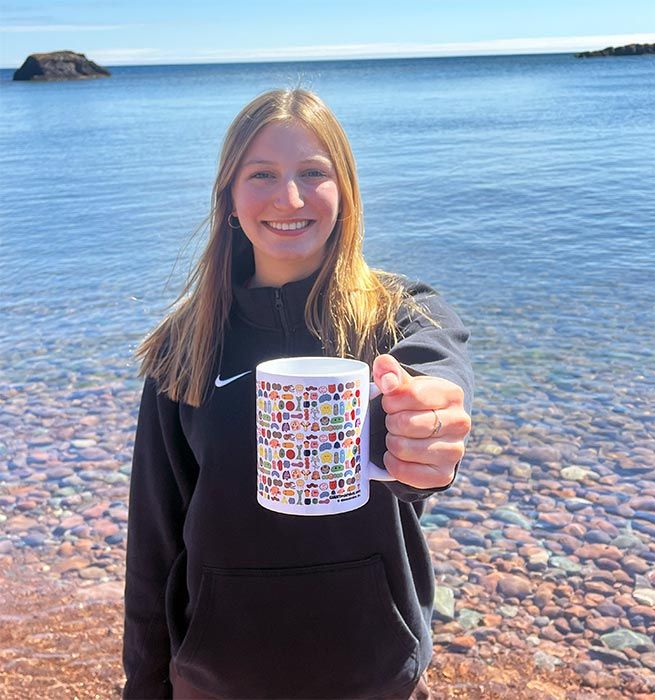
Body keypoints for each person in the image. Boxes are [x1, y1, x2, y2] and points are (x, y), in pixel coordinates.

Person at [122, 88, 474, 700]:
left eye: (313, 173)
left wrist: (426, 431)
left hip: (374, 673)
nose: (289, 198)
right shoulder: (186, 344)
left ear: (346, 193)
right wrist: (144, 687)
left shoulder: (399, 315)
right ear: (230, 200)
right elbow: (153, 538)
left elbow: (436, 376)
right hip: (217, 680)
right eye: (261, 175)